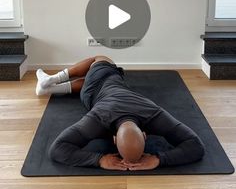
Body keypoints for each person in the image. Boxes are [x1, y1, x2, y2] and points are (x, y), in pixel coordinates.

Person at [36, 56, 205, 171]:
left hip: (99, 90)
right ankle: (50, 85)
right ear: (146, 135)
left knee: (101, 60)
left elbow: (57, 149)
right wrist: (159, 160)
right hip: (89, 98)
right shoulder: (154, 114)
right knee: (99, 76)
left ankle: (52, 79)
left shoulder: (97, 119)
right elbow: (195, 146)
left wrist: (99, 160)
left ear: (114, 139)